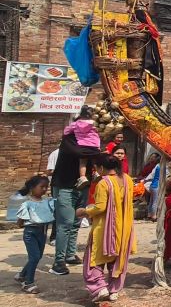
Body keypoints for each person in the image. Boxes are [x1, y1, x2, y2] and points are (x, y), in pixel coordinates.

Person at [75, 154, 136, 303]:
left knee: (94, 258)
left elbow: (100, 207)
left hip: (105, 228)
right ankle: (114, 290)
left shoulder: (104, 183)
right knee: (118, 260)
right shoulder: (128, 179)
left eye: (96, 168)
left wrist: (84, 211)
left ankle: (99, 287)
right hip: (125, 227)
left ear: (101, 168)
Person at [51, 110, 104, 276]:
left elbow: (95, 153)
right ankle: (58, 262)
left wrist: (95, 152)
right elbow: (80, 153)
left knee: (76, 222)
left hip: (82, 185)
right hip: (65, 185)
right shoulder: (69, 138)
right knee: (65, 223)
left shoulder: (92, 138)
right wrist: (95, 152)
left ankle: (70, 254)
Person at [14, 175, 54, 294]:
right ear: (32, 187)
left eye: (46, 187)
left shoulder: (47, 202)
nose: (44, 189)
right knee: (35, 257)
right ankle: (28, 282)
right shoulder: (27, 204)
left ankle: (21, 275)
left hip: (43, 233)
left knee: (37, 256)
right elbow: (19, 221)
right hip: (30, 233)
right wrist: (23, 222)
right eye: (41, 187)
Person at [63, 106, 101, 189]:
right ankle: (97, 173)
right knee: (94, 161)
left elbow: (66, 132)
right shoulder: (94, 124)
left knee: (83, 162)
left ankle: (83, 177)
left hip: (83, 146)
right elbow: (98, 134)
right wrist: (98, 146)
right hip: (94, 146)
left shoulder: (75, 124)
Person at [45, 147, 60, 246]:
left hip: (72, 186)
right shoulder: (55, 154)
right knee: (57, 211)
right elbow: (49, 171)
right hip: (58, 185)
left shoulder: (77, 152)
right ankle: (54, 236)